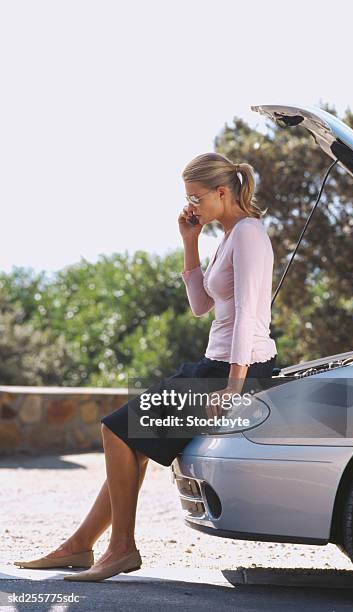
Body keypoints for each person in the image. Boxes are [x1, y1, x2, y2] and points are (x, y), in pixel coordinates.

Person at [13, 152, 277, 581]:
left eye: (196, 197)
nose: (190, 205)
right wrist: (189, 242)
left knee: (116, 428)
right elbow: (199, 306)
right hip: (216, 363)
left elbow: (249, 314)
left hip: (233, 370)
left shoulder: (248, 234)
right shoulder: (228, 236)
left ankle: (121, 549)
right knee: (128, 439)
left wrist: (233, 388)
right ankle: (81, 546)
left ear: (222, 193)